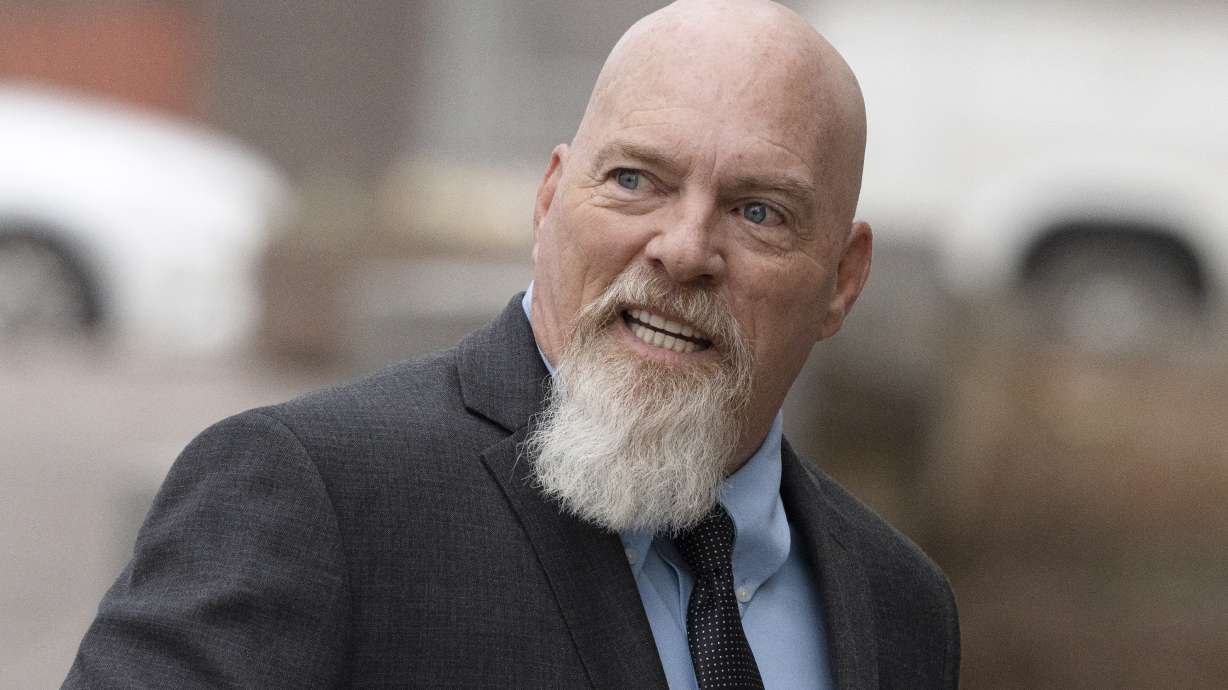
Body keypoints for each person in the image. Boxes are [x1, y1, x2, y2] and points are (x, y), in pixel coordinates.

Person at [65, 1, 959, 687]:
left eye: (758, 211)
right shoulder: (314, 498)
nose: (684, 249)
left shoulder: (902, 609)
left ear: (843, 278)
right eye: (636, 179)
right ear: (550, 199)